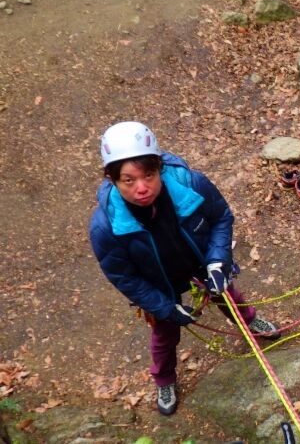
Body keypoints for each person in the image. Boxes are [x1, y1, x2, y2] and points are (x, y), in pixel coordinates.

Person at [89, 121, 280, 415]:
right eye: (128, 180)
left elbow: (220, 218)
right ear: (112, 179)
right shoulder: (106, 227)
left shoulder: (191, 184)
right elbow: (123, 276)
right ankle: (164, 379)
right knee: (165, 334)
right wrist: (165, 308)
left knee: (227, 295)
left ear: (160, 167)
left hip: (199, 261)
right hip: (158, 282)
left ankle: (249, 321)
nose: (142, 188)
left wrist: (218, 260)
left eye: (148, 175)